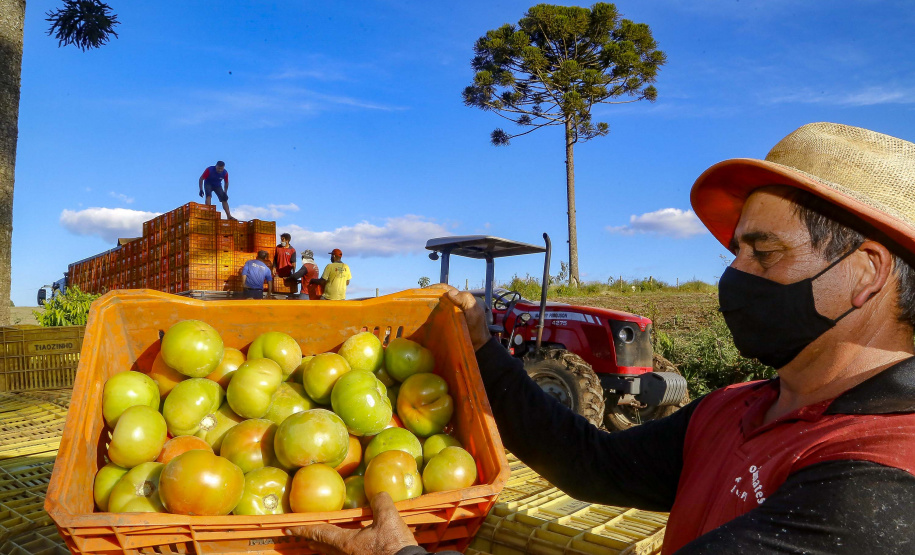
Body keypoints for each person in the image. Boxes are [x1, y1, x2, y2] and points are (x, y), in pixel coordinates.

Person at [286, 122, 915, 554]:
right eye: (735, 251)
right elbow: (596, 464)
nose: (732, 275)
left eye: (763, 252)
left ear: (865, 272)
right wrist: (485, 348)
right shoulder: (738, 409)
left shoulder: (882, 484)